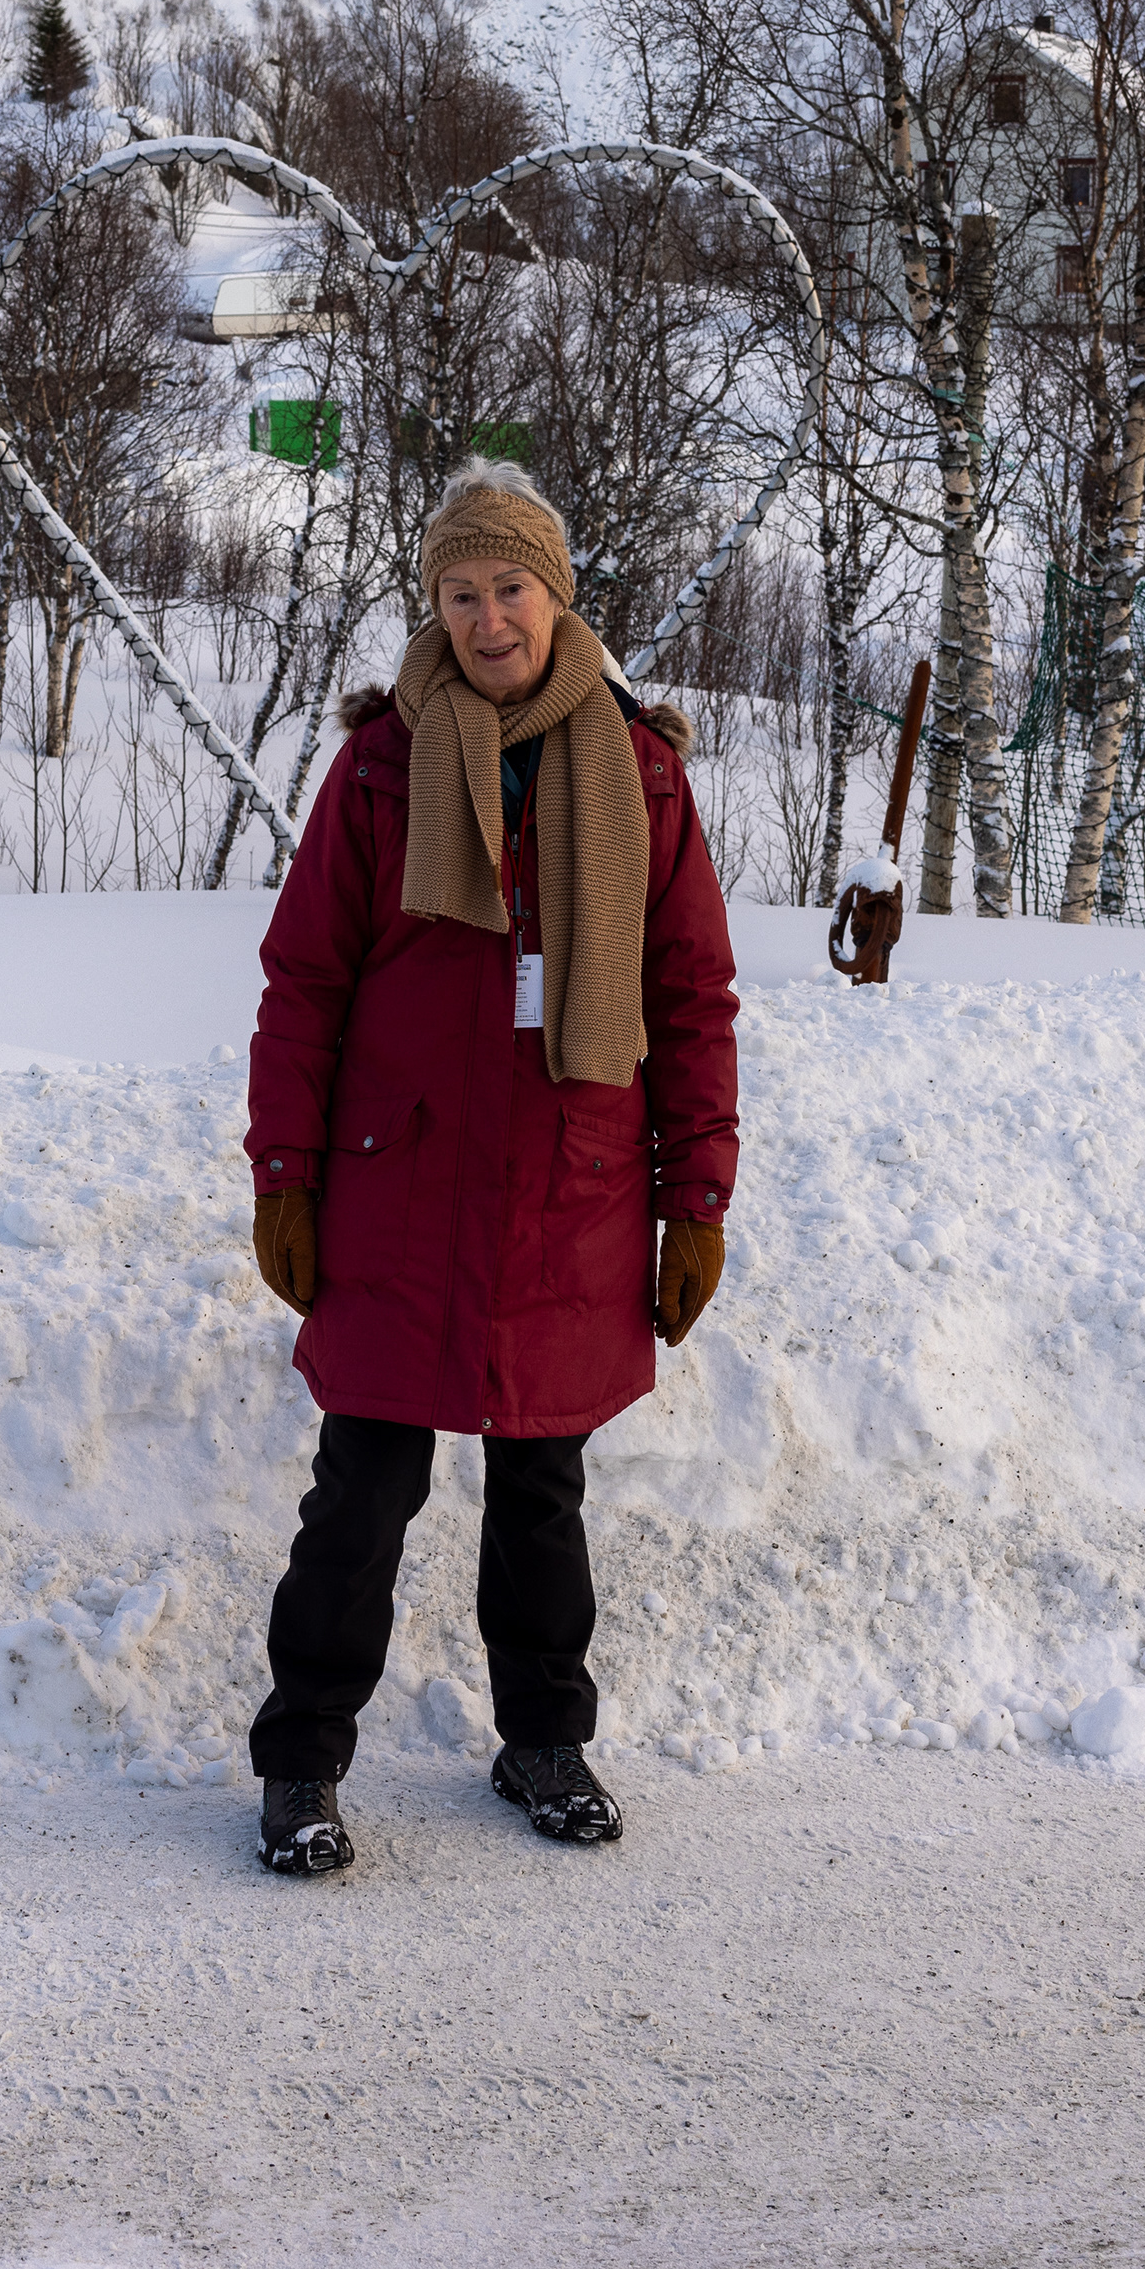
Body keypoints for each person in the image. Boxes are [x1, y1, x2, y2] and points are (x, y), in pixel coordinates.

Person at [240, 459, 741, 1875]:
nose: (486, 617)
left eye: (508, 585)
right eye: (459, 591)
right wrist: (285, 1169)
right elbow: (303, 982)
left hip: (562, 1193)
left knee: (542, 1495)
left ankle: (544, 1738)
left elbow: (692, 995)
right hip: (397, 1195)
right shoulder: (381, 763)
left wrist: (693, 1196)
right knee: (364, 1489)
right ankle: (302, 1759)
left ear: (554, 592)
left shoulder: (639, 772)